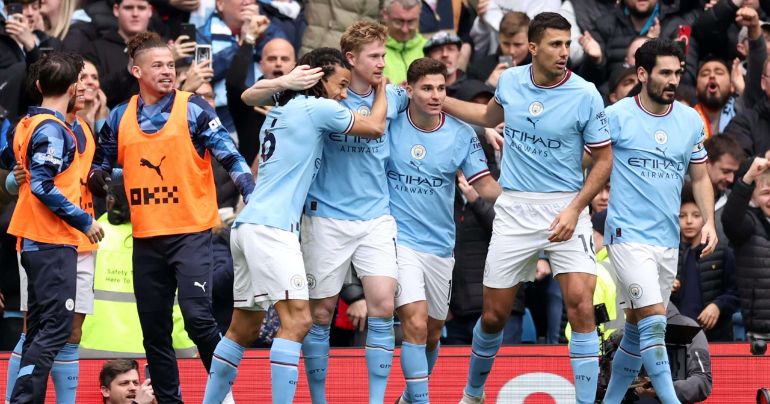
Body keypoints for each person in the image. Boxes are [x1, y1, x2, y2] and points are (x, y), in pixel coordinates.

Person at [442, 12, 613, 404]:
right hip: (515, 207)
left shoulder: (586, 93)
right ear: (532, 48)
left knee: (581, 306)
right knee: (494, 316)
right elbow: (489, 116)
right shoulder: (512, 81)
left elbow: (604, 161)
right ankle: (473, 392)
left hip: (565, 207)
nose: (564, 52)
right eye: (555, 44)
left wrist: (574, 210)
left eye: (567, 44)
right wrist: (440, 100)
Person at [202, 47, 389, 404]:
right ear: (319, 80)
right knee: (299, 321)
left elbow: (246, 95)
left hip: (247, 226)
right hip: (273, 230)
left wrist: (285, 83)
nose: (344, 93)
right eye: (341, 84)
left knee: (244, 327)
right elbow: (375, 126)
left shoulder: (281, 111)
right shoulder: (317, 108)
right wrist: (380, 89)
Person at [238, 21, 410, 403]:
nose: (382, 63)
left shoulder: (394, 95)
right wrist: (287, 80)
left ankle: (377, 399)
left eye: (384, 55)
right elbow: (249, 96)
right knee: (319, 315)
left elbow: (427, 110)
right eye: (375, 56)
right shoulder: (324, 98)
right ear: (351, 59)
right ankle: (319, 398)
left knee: (383, 303)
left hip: (376, 215)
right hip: (324, 216)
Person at [87, 31, 255, 403]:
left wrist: (251, 195)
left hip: (191, 234)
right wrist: (99, 178)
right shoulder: (119, 116)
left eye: (170, 65)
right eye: (157, 65)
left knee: (198, 319)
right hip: (146, 237)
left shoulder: (193, 107)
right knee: (155, 331)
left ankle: (223, 395)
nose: (167, 71)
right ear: (136, 70)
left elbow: (231, 155)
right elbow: (100, 166)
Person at [601, 39, 717, 404]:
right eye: (665, 72)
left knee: (636, 333)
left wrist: (710, 222)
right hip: (626, 236)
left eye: (678, 73)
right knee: (654, 321)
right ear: (642, 74)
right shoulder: (615, 116)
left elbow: (699, 178)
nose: (673, 80)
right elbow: (590, 166)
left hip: (667, 243)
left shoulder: (689, 121)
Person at [391, 57, 501, 404]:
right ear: (409, 90)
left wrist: (526, 199)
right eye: (426, 88)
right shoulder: (390, 123)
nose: (435, 94)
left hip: (440, 246)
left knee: (433, 334)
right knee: (415, 322)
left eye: (441, 88)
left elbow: (484, 186)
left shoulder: (461, 134)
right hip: (399, 240)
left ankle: (409, 398)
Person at [3, 51, 104, 404]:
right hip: (52, 238)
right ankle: (22, 400)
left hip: (46, 240)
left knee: (50, 330)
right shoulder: (53, 129)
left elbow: (12, 158)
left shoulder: (28, 125)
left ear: (39, 84)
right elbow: (43, 184)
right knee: (51, 329)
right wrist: (84, 220)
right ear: (74, 86)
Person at [672, 181, 738, 342]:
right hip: (677, 334)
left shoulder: (721, 252)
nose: (688, 221)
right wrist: (666, 286)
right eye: (682, 215)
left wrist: (717, 306)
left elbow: (736, 293)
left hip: (714, 335)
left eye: (696, 215)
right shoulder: (669, 254)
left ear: (706, 217)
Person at [722, 157, 770, 343]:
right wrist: (749, 176)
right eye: (766, 192)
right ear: (753, 196)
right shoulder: (748, 224)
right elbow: (730, 218)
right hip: (760, 333)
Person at [381, 0, 426, 85]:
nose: (405, 29)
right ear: (385, 14)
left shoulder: (430, 48)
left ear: (419, 15)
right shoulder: (371, 50)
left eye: (411, 22)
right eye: (398, 21)